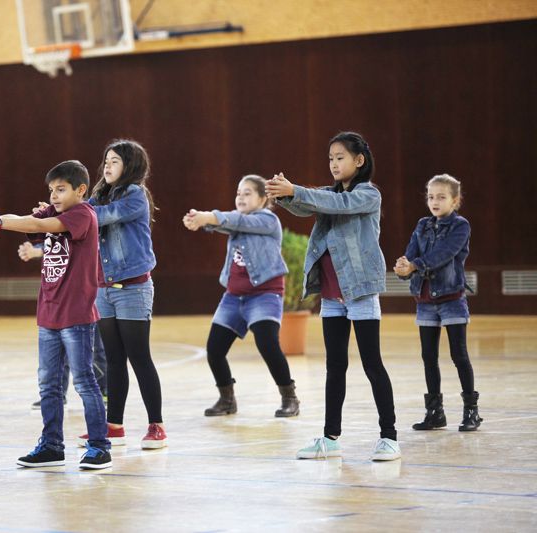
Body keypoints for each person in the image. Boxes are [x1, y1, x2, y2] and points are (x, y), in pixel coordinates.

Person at [266, 131, 400, 461]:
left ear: (359, 161)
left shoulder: (368, 195)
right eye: (330, 158)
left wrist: (295, 190)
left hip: (360, 291)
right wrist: (286, 195)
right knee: (334, 366)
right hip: (330, 295)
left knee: (372, 364)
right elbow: (307, 205)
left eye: (340, 157)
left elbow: (335, 204)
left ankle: (389, 436)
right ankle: (330, 437)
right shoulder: (328, 193)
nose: (334, 164)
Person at [0, 160, 111, 469]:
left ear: (81, 190)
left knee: (85, 382)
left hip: (76, 316)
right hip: (48, 314)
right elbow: (27, 219)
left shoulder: (82, 215)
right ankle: (51, 445)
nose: (54, 196)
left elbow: (34, 226)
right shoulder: (56, 211)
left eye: (61, 190)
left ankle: (100, 446)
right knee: (48, 385)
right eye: (51, 191)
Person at [183, 174, 300, 418]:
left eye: (247, 193)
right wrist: (200, 219)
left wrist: (208, 216)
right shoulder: (237, 221)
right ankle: (227, 400)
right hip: (234, 296)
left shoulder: (269, 220)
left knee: (267, 343)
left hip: (265, 294)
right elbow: (224, 223)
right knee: (214, 350)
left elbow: (233, 221)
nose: (241, 197)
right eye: (238, 193)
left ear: (263, 198)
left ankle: (289, 397)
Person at [77, 139, 167, 450]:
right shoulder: (98, 196)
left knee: (139, 357)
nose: (107, 166)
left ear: (130, 166)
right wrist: (55, 211)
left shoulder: (134, 195)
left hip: (133, 288)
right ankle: (113, 425)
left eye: (114, 161)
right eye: (106, 160)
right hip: (104, 290)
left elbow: (99, 217)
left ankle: (157, 425)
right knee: (114, 360)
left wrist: (71, 211)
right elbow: (81, 221)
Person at [394, 174, 482, 431]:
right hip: (425, 300)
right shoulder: (422, 225)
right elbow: (411, 253)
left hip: (451, 299)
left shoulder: (460, 226)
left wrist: (415, 265)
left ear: (455, 201)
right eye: (431, 196)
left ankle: (471, 412)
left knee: (459, 355)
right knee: (428, 357)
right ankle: (435, 412)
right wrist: (403, 267)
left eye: (441, 197)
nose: (434, 201)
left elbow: (444, 254)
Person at [18, 240, 108, 410]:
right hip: (66, 293)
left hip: (92, 291)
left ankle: (103, 390)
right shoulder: (59, 219)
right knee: (61, 345)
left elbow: (73, 247)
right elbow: (57, 243)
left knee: (96, 347)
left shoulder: (88, 217)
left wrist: (38, 251)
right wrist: (36, 250)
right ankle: (59, 394)